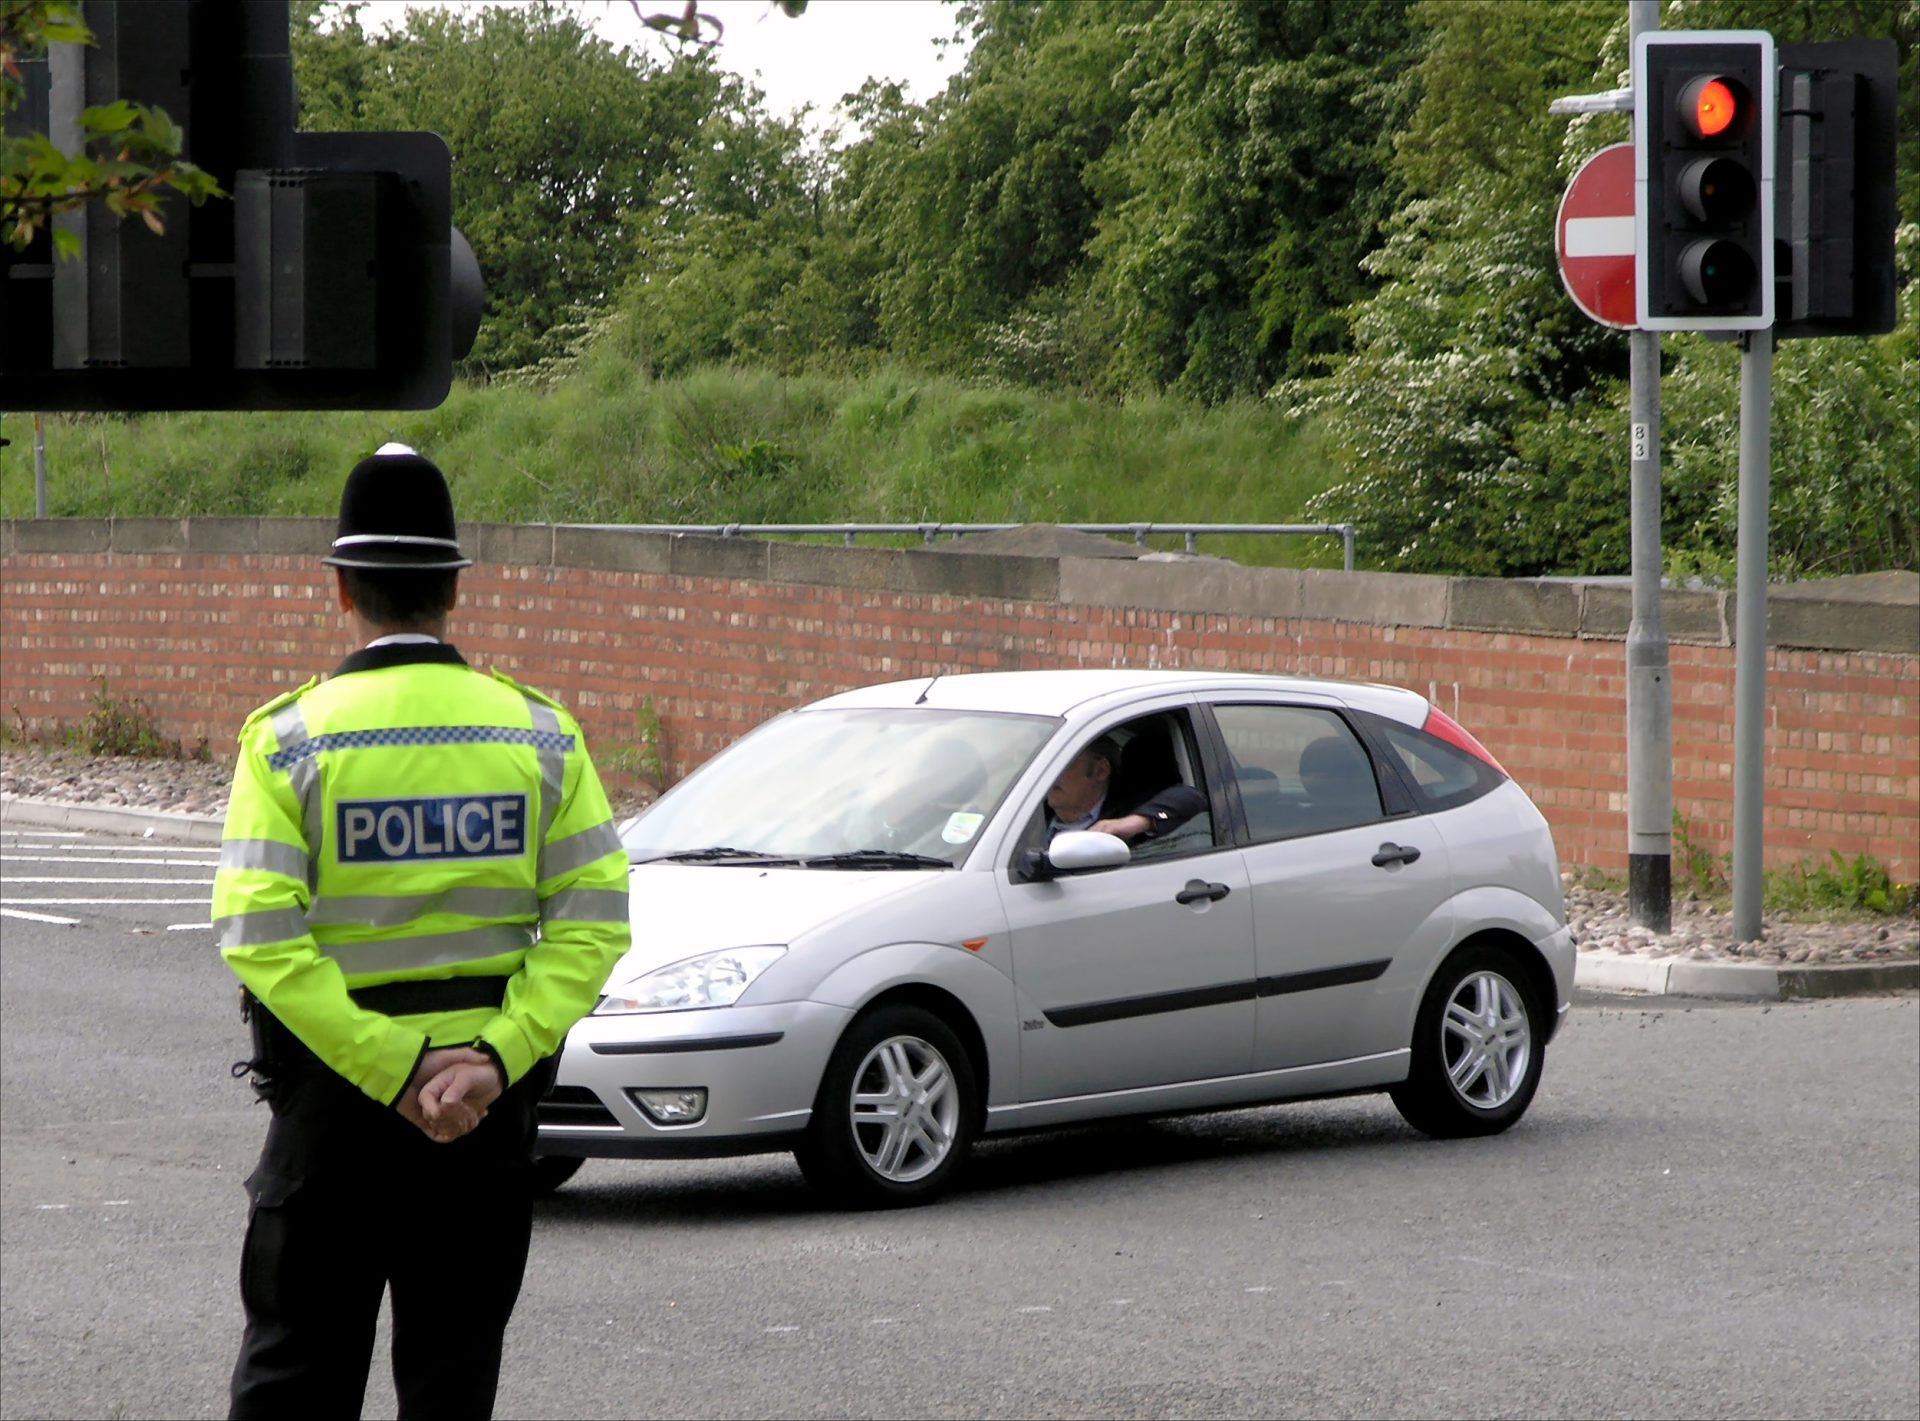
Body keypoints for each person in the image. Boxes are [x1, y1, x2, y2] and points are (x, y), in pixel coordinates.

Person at [214, 444, 631, 1420]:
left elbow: (260, 936)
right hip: (481, 1122)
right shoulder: (541, 736)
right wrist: (488, 1057)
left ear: (341, 589)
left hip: (333, 1118)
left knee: (293, 1380)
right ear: (453, 588)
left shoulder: (290, 740)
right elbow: (591, 924)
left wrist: (395, 1067)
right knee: (453, 1384)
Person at [1044, 732, 1207, 844]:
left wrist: (1135, 822)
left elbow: (1192, 798)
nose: (1050, 774)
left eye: (1063, 764)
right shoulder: (1030, 807)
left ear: (1101, 771)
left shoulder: (1130, 809)